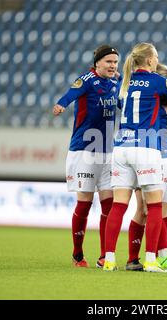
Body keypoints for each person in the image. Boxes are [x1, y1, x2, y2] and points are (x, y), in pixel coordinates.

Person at [103, 42, 167, 272]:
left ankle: (109, 259)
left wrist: (159, 110)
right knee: (153, 207)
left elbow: (129, 106)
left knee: (119, 205)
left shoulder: (126, 82)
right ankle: (152, 259)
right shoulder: (158, 81)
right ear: (150, 60)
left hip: (121, 147)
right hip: (146, 148)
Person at [52, 45, 120, 268]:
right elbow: (72, 93)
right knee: (84, 204)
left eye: (115, 62)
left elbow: (125, 105)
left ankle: (104, 255)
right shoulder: (87, 79)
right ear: (98, 63)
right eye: (109, 62)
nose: (113, 66)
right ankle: (77, 255)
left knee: (108, 205)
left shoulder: (115, 84)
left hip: (108, 152)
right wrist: (62, 104)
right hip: (84, 150)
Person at [125, 63, 167, 272]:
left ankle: (157, 256)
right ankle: (154, 256)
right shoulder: (155, 106)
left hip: (160, 157)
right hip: (147, 155)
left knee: (149, 209)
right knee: (149, 209)